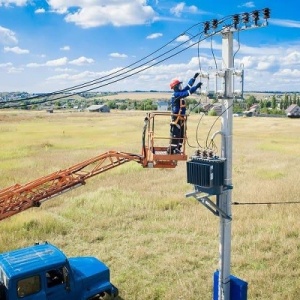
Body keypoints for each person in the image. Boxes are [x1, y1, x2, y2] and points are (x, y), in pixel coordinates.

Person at [168, 73, 202, 154]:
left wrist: (193, 78)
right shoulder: (176, 95)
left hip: (181, 118)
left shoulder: (179, 93)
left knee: (181, 134)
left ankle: (178, 148)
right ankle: (172, 149)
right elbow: (188, 92)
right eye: (179, 85)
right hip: (176, 118)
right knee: (176, 134)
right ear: (175, 87)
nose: (180, 86)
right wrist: (196, 87)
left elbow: (188, 87)